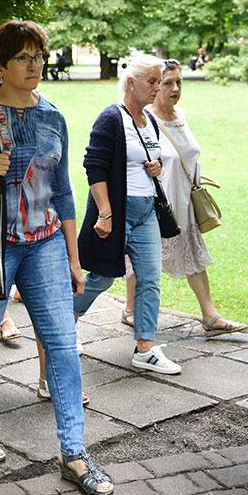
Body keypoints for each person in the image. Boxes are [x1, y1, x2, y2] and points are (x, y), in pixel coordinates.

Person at [0, 20, 113, 495]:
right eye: (24, 59)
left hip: (46, 242)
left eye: (39, 57)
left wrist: (75, 259)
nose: (34, 66)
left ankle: (73, 452)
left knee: (63, 344)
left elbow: (65, 190)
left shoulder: (53, 115)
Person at [120, 61, 246, 337]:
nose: (175, 88)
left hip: (185, 205)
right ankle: (130, 309)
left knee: (193, 258)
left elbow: (187, 155)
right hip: (157, 206)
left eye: (178, 82)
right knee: (140, 258)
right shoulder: (144, 119)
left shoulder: (182, 116)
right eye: (167, 83)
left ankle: (210, 316)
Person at [75, 53, 182, 376]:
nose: (157, 88)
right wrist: (105, 213)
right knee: (102, 277)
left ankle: (145, 348)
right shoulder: (111, 118)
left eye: (159, 81)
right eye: (152, 81)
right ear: (131, 82)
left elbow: (150, 159)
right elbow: (94, 166)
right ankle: (65, 321)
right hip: (117, 213)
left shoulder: (149, 120)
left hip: (146, 211)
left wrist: (157, 167)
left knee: (150, 279)